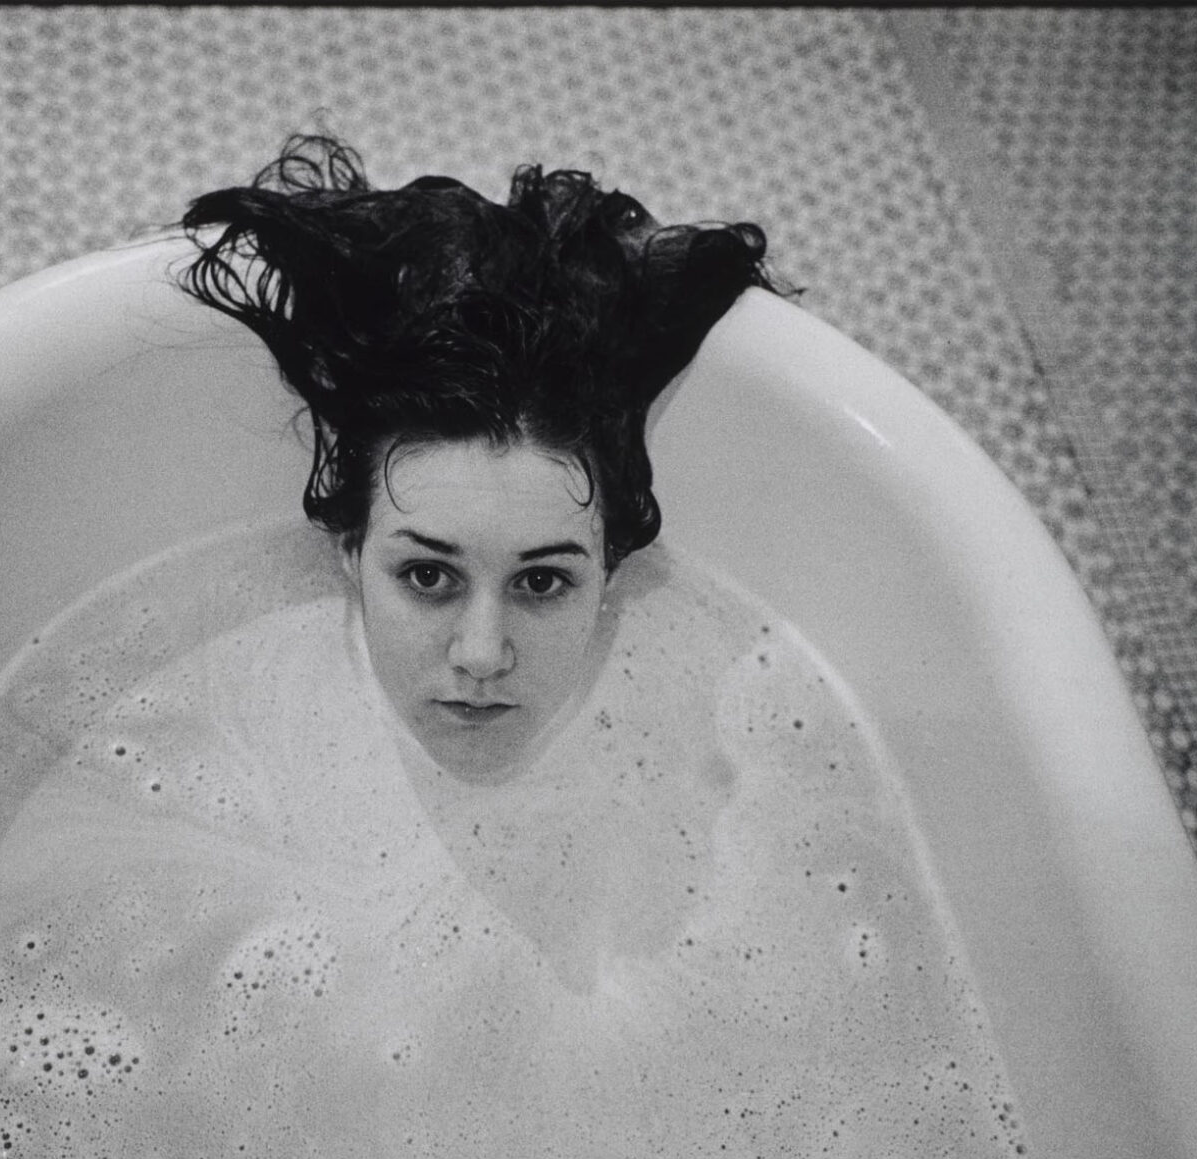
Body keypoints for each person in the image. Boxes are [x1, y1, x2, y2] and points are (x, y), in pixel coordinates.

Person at [174, 133, 791, 779]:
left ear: (610, 569)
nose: (482, 656)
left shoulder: (729, 753)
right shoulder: (217, 718)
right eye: (428, 575)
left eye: (542, 581)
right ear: (351, 550)